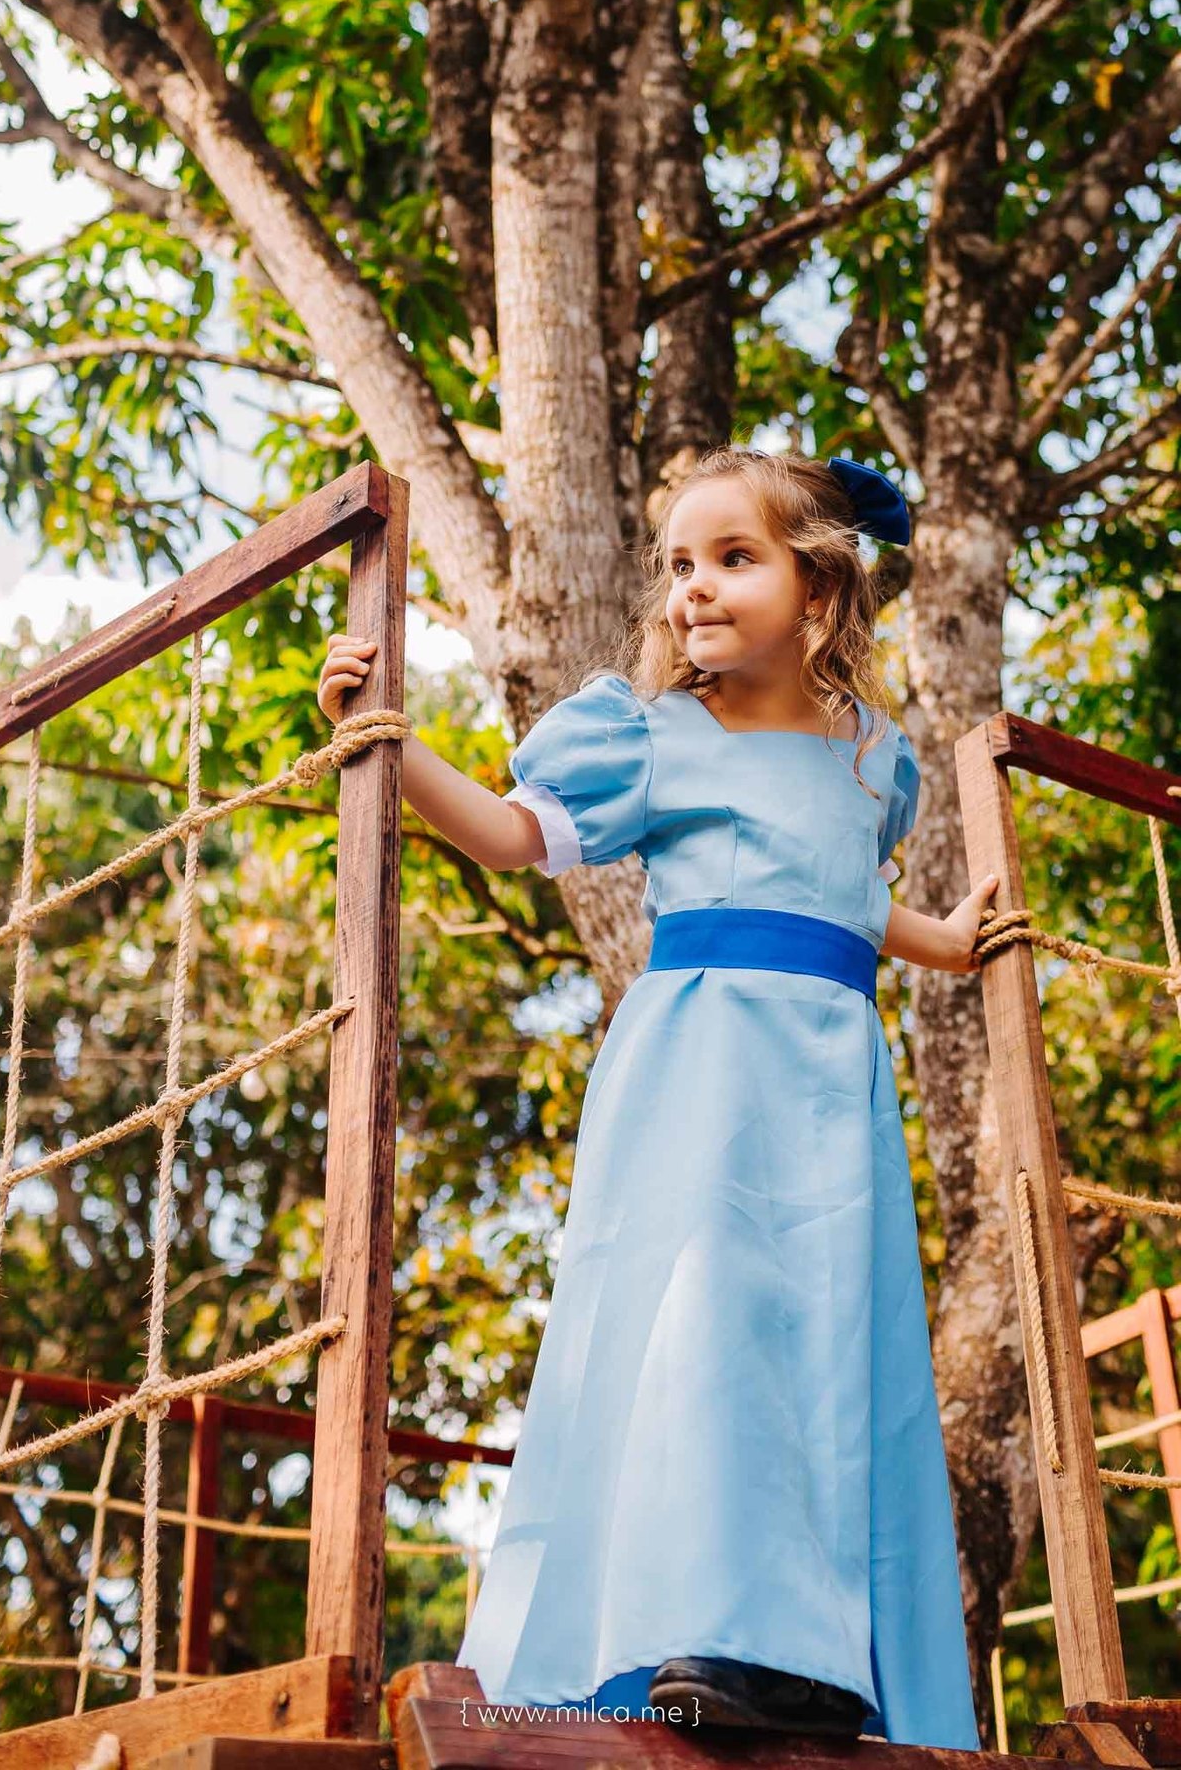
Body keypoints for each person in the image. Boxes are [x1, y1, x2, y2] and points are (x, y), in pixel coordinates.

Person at [317, 445, 994, 1749]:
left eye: (734, 558)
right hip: (703, 1075)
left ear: (818, 590)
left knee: (830, 1345)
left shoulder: (873, 758)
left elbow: (848, 897)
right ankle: (708, 1631)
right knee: (709, 1329)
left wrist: (947, 944)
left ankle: (820, 1657)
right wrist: (388, 738)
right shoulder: (652, 735)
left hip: (831, 1088)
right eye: (681, 563)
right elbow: (512, 836)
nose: (695, 587)